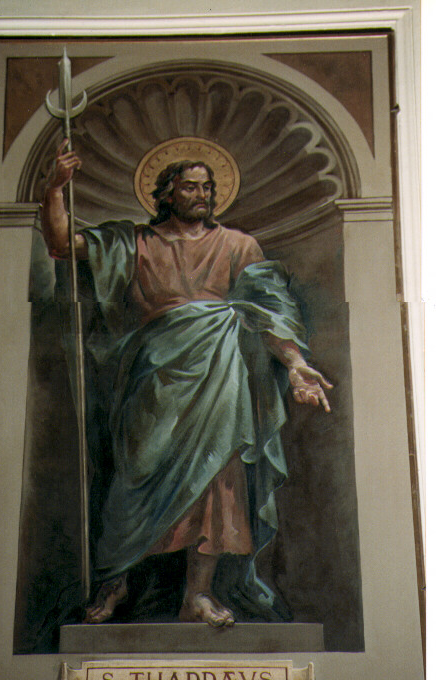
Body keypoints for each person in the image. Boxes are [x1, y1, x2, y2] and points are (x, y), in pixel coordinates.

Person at [41, 139, 332, 628]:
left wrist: (296, 364)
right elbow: (61, 244)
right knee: (136, 476)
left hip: (220, 373)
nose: (202, 195)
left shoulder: (239, 245)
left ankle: (197, 594)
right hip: (153, 375)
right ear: (167, 193)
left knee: (217, 478)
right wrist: (55, 189)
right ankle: (115, 580)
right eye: (191, 187)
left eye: (207, 187)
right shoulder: (135, 242)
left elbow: (268, 310)